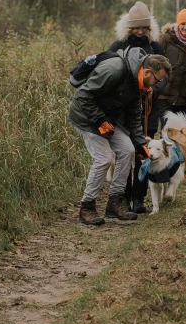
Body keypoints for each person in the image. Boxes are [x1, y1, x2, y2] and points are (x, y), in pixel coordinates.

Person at [69, 49, 171, 225]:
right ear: (147, 72)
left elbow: (133, 115)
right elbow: (83, 96)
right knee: (104, 159)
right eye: (157, 79)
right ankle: (87, 206)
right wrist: (100, 121)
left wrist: (140, 144)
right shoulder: (115, 69)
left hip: (108, 118)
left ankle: (115, 202)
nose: (157, 85)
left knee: (128, 150)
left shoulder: (137, 81)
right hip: (86, 117)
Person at [108, 1, 165, 214]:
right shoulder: (117, 46)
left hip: (149, 110)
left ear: (150, 28)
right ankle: (123, 196)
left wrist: (153, 90)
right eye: (136, 27)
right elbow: (110, 72)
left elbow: (165, 75)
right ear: (129, 27)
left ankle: (139, 198)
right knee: (124, 154)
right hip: (123, 112)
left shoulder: (156, 47)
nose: (140, 31)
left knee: (143, 153)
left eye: (144, 27)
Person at [158, 9, 186, 121]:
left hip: (184, 94)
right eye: (183, 24)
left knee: (181, 130)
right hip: (165, 93)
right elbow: (155, 60)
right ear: (178, 24)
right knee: (167, 129)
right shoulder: (166, 39)